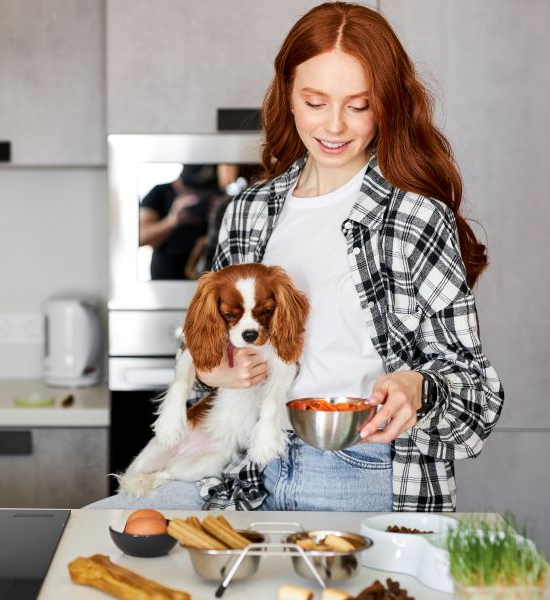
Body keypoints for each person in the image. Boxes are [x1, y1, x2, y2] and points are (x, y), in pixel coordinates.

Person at [87, 1, 503, 513]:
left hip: (361, 472)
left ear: (387, 104)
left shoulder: (414, 218)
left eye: (359, 105)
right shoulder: (249, 212)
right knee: (97, 535)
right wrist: (213, 371)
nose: (335, 126)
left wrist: (417, 386)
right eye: (315, 102)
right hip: (243, 468)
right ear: (287, 95)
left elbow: (477, 393)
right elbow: (211, 355)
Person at [139, 164, 219, 280]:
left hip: (204, 272)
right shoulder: (159, 193)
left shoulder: (212, 191)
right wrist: (171, 221)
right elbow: (142, 237)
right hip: (166, 275)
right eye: (189, 191)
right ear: (179, 182)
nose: (194, 197)